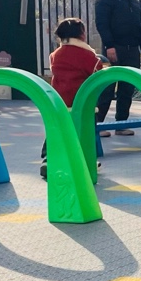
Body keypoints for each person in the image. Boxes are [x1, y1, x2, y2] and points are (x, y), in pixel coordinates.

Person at [94, 0, 141, 136]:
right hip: (114, 48)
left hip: (132, 50)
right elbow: (102, 24)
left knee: (127, 88)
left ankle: (121, 124)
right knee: (107, 88)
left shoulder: (135, 2)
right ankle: (97, 124)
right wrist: (109, 45)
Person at [41, 17, 102, 178]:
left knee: (57, 130)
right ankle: (85, 160)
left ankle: (48, 159)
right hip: (81, 101)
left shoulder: (55, 55)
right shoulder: (86, 55)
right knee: (85, 131)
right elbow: (97, 71)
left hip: (60, 100)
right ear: (81, 34)